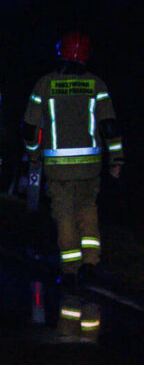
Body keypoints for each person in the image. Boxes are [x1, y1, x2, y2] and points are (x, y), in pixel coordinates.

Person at [22, 32, 123, 287]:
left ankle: (70, 271)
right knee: (88, 211)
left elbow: (29, 128)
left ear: (61, 52)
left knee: (64, 217)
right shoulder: (97, 85)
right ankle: (90, 264)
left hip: (58, 169)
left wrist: (34, 155)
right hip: (90, 167)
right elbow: (109, 126)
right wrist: (117, 159)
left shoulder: (44, 84)